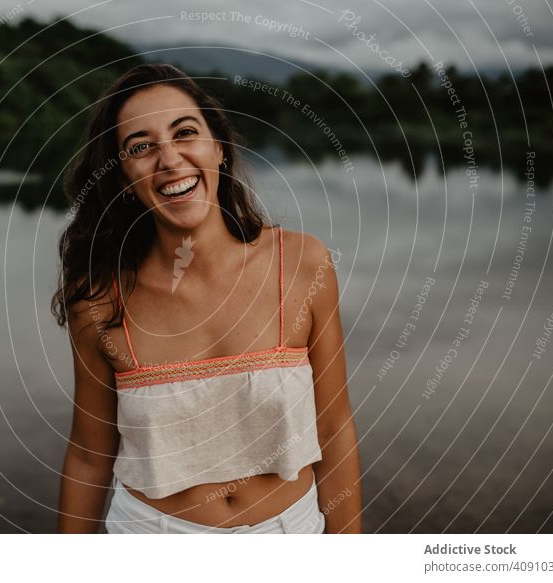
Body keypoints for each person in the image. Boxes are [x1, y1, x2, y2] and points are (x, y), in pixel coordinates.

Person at [51, 63, 361, 534]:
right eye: (141, 147)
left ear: (218, 148)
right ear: (122, 178)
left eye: (185, 133)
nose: (170, 160)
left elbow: (334, 428)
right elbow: (89, 458)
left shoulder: (303, 263)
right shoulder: (99, 300)